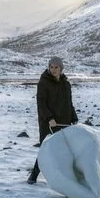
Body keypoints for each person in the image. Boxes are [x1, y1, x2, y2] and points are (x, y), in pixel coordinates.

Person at [27, 56, 78, 184]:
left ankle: (65, 178)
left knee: (64, 150)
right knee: (46, 149)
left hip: (64, 121)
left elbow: (69, 103)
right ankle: (33, 176)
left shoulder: (66, 84)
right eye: (51, 67)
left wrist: (74, 117)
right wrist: (49, 118)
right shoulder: (44, 82)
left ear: (61, 68)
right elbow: (41, 103)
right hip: (48, 122)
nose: (54, 70)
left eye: (56, 67)